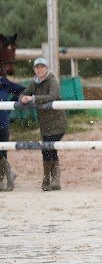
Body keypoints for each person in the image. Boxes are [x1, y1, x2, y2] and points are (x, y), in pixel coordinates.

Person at [19, 58, 68, 191]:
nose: (39, 69)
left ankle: (49, 179)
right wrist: (22, 98)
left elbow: (52, 96)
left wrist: (33, 98)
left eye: (42, 67)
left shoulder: (52, 80)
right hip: (45, 124)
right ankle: (52, 180)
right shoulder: (34, 82)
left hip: (57, 123)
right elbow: (25, 93)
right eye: (37, 67)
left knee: (48, 148)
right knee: (49, 149)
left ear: (46, 68)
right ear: (34, 69)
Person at [0, 71, 24, 191]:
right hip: (3, 122)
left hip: (2, 123)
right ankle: (9, 174)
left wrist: (10, 105)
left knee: (2, 152)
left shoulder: (3, 82)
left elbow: (22, 90)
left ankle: (4, 177)